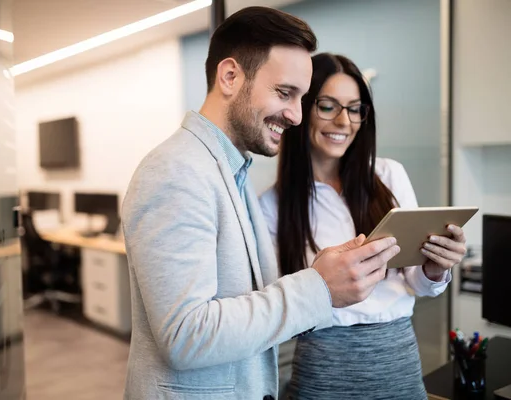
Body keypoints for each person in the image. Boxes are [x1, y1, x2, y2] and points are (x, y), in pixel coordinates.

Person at [121, 8, 401, 400]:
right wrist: (319, 287)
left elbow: (251, 306)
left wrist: (328, 273)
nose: (296, 116)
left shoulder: (231, 172)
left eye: (302, 98)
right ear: (230, 76)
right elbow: (186, 336)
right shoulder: (175, 172)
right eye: (285, 93)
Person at [259, 53, 467, 400]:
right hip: (324, 368)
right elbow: (278, 307)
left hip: (397, 357)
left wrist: (433, 268)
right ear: (303, 109)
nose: (344, 121)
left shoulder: (388, 175)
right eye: (328, 106)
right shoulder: (272, 205)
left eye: (355, 109)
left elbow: (415, 282)